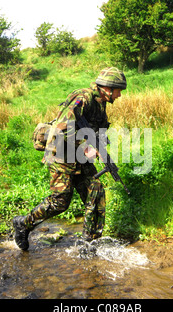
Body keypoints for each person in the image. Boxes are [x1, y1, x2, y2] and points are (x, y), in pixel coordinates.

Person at [12, 67, 127, 251]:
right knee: (60, 201)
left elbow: (97, 131)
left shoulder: (100, 104)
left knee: (95, 191)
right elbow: (63, 128)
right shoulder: (83, 98)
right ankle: (23, 224)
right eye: (118, 90)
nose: (120, 95)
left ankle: (90, 243)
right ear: (107, 88)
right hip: (61, 154)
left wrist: (102, 146)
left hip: (80, 156)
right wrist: (87, 145)